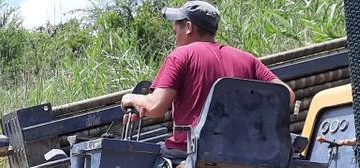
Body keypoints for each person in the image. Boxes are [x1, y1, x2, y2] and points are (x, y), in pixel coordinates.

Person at [120, 1, 295, 158]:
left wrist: (131, 99)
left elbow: (155, 107)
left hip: (191, 154)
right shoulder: (248, 60)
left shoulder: (181, 56)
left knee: (140, 161)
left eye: (176, 30)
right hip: (242, 154)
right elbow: (288, 96)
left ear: (188, 27)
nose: (175, 36)